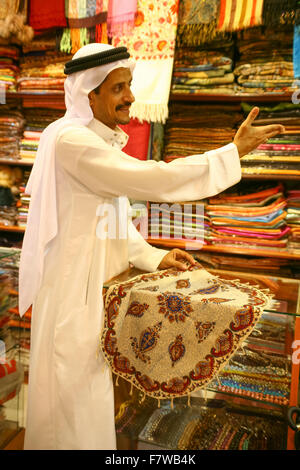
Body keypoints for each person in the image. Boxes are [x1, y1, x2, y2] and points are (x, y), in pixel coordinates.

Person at [18, 43, 285, 450]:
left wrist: (155, 256)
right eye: (118, 88)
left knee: (90, 407)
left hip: (98, 298)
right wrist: (232, 153)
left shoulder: (95, 141)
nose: (130, 97)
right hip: (73, 301)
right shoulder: (73, 143)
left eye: (130, 85)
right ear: (90, 95)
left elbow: (113, 221)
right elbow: (154, 179)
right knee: (69, 411)